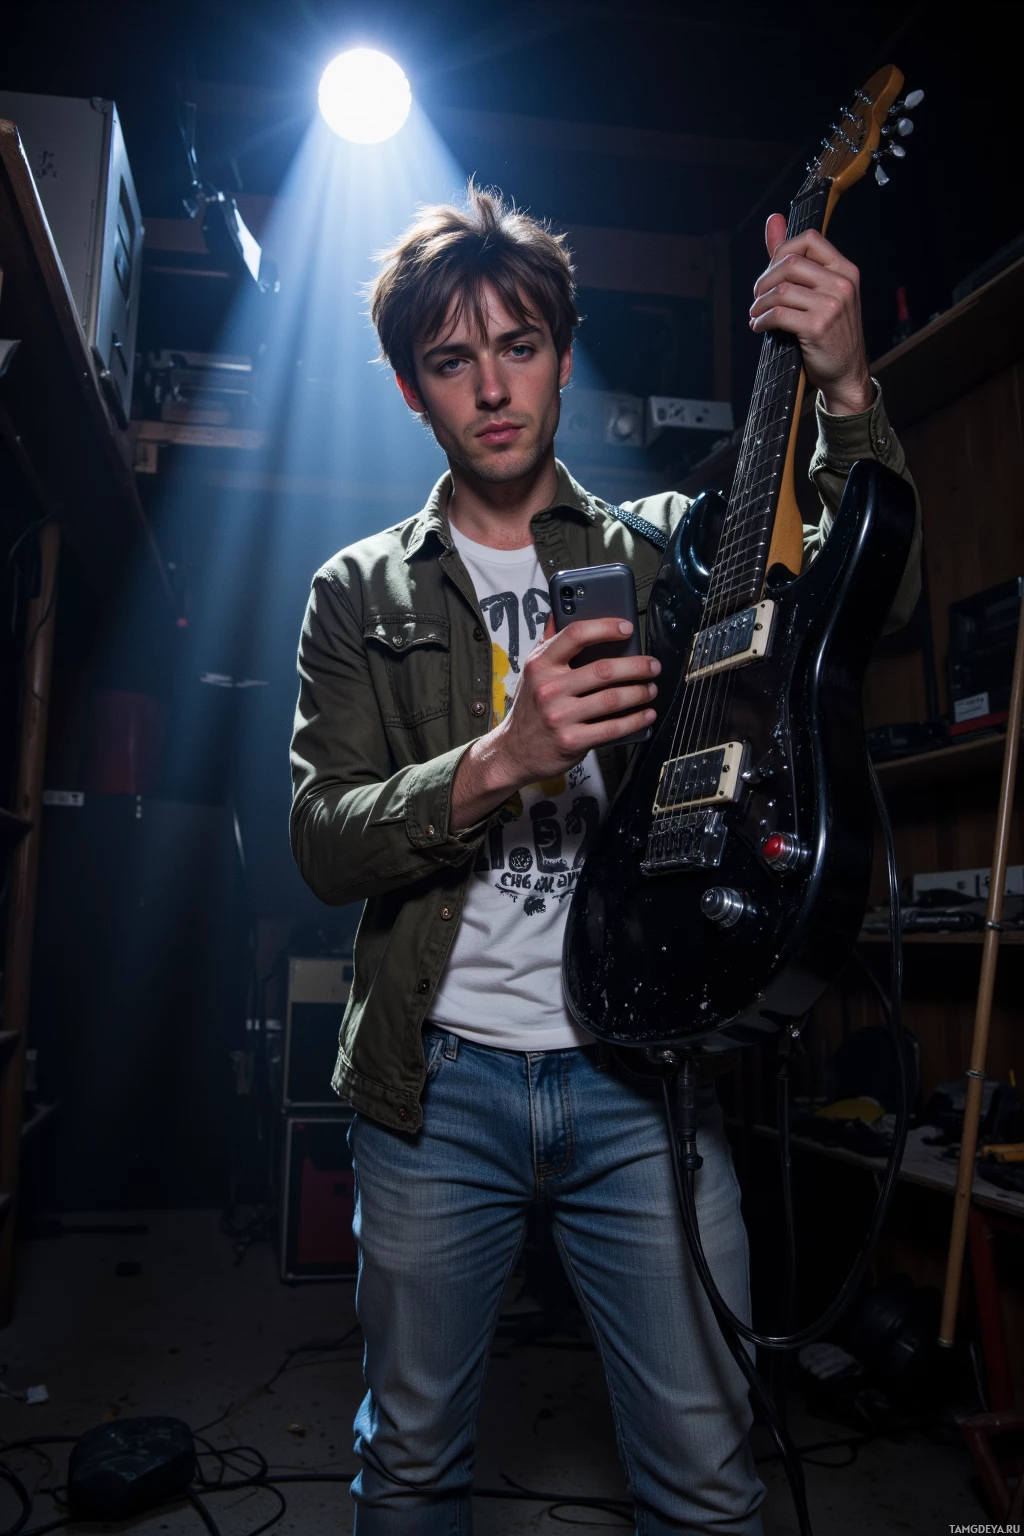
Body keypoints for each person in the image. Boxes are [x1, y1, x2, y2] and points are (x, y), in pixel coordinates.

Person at [290, 182, 919, 1535]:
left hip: (643, 1076)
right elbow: (320, 844)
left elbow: (868, 596)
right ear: (412, 391)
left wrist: (848, 383)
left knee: (706, 1477)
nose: (493, 388)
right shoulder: (358, 592)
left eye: (519, 346)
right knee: (407, 1469)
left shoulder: (662, 555)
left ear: (565, 356)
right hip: (435, 1088)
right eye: (452, 361)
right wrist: (500, 760)